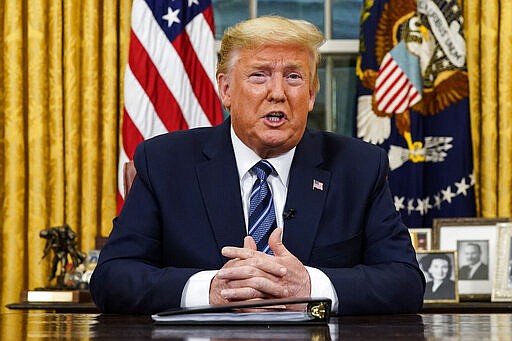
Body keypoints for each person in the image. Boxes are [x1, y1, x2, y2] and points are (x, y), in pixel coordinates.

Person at [90, 16, 425, 315]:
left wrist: (309, 287)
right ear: (225, 89)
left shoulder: (359, 167)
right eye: (259, 76)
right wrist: (213, 289)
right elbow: (112, 277)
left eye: (293, 77)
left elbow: (405, 282)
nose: (277, 93)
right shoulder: (164, 163)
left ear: (311, 94)